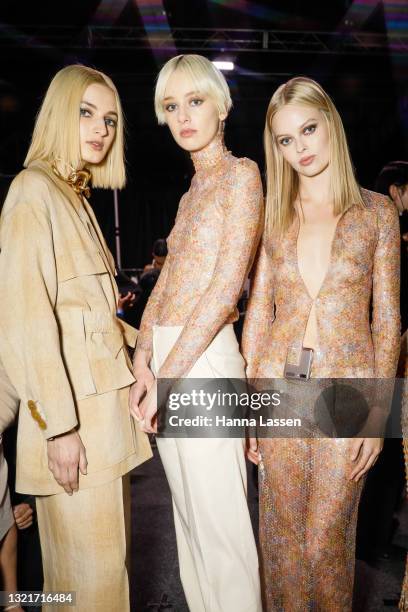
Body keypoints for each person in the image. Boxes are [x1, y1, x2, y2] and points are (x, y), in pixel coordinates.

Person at [242, 77, 400, 610]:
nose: (301, 147)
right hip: (281, 395)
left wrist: (379, 420)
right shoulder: (274, 214)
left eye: (308, 129)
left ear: (330, 123)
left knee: (327, 543)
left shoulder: (377, 213)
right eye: (286, 139)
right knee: (282, 544)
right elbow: (259, 314)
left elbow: (388, 322)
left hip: (349, 398)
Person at [0, 64, 152, 611]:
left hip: (104, 426)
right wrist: (58, 429)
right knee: (91, 590)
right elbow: (25, 321)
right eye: (86, 113)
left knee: (104, 580)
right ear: (59, 113)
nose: (101, 129)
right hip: (75, 433)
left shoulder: (75, 196)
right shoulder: (32, 191)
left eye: (110, 119)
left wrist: (148, 346)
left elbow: (86, 318)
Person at [129, 54, 263, 612]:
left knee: (223, 530)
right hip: (172, 355)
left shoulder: (242, 176)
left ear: (223, 104)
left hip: (204, 358)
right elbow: (168, 283)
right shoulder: (189, 196)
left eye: (196, 100)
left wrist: (164, 370)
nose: (183, 115)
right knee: (188, 521)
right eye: (171, 105)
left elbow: (225, 288)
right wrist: (141, 356)